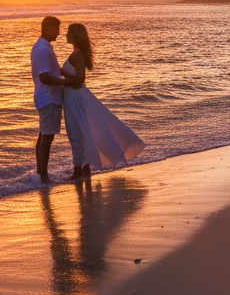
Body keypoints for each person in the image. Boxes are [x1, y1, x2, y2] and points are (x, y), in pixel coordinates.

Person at [61, 22, 145, 180]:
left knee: (76, 133)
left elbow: (80, 80)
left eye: (68, 32)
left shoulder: (77, 53)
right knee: (80, 131)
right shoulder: (76, 52)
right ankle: (83, 168)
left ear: (75, 35)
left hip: (75, 96)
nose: (65, 35)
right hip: (73, 96)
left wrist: (61, 73)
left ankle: (79, 170)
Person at [30, 16, 80, 184]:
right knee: (47, 138)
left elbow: (52, 71)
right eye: (57, 29)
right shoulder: (43, 49)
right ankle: (44, 177)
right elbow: (44, 77)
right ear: (49, 28)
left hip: (43, 97)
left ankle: (40, 174)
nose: (59, 33)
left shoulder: (42, 46)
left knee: (43, 136)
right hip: (49, 98)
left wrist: (65, 75)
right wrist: (65, 82)